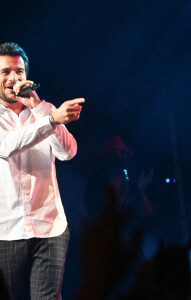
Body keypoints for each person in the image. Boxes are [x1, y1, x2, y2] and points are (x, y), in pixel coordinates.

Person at [0, 42, 84, 300]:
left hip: (50, 227)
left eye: (19, 72)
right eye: (5, 72)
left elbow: (67, 152)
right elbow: (6, 147)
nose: (14, 78)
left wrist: (40, 109)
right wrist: (50, 120)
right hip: (7, 230)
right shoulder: (49, 117)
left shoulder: (43, 110)